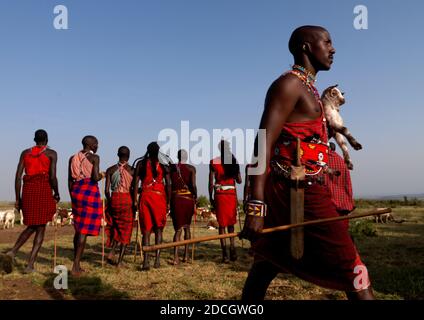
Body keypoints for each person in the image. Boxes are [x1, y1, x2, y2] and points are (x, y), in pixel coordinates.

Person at [240, 25, 375, 300]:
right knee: (355, 270)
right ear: (305, 47)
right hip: (297, 192)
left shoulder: (310, 90)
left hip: (305, 187)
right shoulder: (289, 84)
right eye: (326, 42)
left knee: (267, 262)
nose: (333, 48)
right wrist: (256, 207)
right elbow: (262, 143)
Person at [6, 129, 59, 273]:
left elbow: (18, 177)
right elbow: (53, 177)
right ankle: (28, 264)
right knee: (40, 227)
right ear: (47, 140)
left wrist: (18, 198)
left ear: (34, 140)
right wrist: (57, 193)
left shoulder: (25, 153)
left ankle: (13, 252)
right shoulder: (51, 153)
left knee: (32, 225)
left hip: (28, 191)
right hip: (43, 190)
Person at [68, 135, 105, 276]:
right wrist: (103, 174)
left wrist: (73, 196)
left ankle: (77, 262)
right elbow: (95, 177)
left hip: (76, 191)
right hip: (89, 192)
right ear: (91, 145)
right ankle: (75, 265)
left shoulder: (72, 158)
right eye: (96, 143)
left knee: (78, 227)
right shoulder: (95, 157)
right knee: (83, 230)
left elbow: (69, 180)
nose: (97, 145)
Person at [133, 142, 171, 270]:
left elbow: (135, 183)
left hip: (145, 197)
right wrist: (168, 201)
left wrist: (134, 200)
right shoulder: (164, 165)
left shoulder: (140, 164)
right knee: (159, 229)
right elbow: (169, 184)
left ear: (147, 150)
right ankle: (157, 261)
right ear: (158, 151)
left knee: (147, 230)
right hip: (159, 197)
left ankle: (146, 262)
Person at [209, 140, 242, 263]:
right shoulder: (233, 161)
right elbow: (239, 181)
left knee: (222, 225)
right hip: (231, 195)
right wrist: (234, 171)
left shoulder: (214, 162)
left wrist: (210, 196)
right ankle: (233, 250)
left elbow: (211, 183)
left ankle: (225, 255)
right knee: (231, 224)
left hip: (220, 195)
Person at [104, 146, 135, 267]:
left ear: (118, 154)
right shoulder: (132, 170)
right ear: (129, 156)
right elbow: (133, 190)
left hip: (114, 199)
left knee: (116, 226)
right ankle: (120, 261)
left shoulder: (110, 170)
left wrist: (111, 201)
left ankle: (112, 252)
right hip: (127, 199)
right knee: (126, 230)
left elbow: (106, 191)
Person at [170, 149, 197, 265]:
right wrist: (195, 196)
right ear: (187, 157)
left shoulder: (172, 169)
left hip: (176, 199)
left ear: (177, 156)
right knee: (187, 227)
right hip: (188, 199)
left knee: (178, 229)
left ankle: (176, 257)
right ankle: (186, 256)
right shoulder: (192, 169)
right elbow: (193, 185)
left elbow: (170, 184)